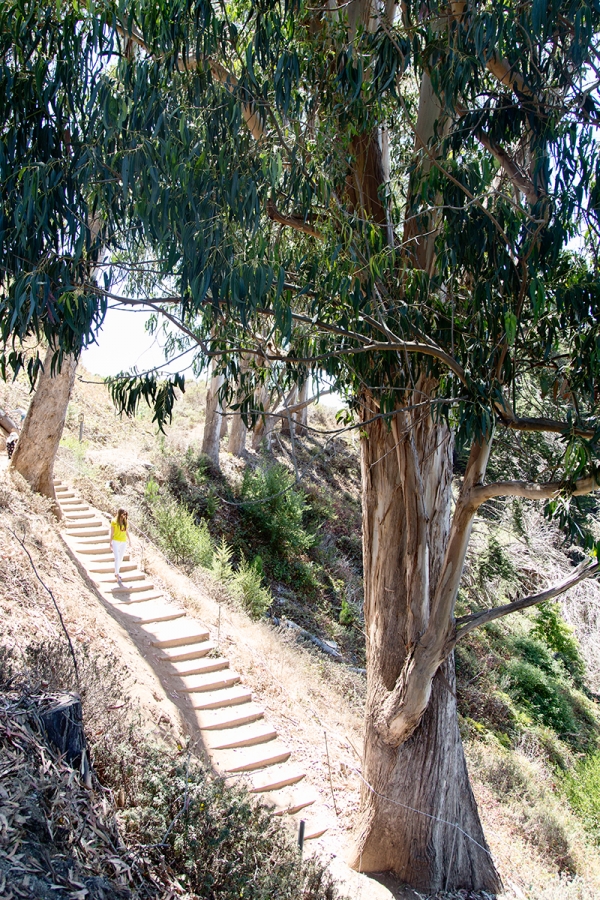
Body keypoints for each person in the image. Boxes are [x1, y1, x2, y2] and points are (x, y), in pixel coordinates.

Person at [110, 508, 131, 587]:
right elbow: (112, 532)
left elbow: (126, 531)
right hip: (116, 541)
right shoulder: (114, 521)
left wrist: (129, 540)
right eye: (123, 514)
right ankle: (117, 574)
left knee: (121, 557)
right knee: (117, 558)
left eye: (125, 514)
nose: (124, 516)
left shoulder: (125, 521)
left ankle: (116, 572)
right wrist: (110, 542)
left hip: (123, 541)